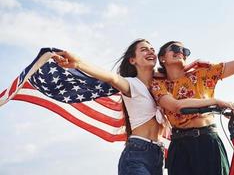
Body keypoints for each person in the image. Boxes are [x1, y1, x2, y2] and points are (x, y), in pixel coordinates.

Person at [150, 5, 234, 175]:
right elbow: (176, 106)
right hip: (180, 145)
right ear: (162, 58)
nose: (181, 52)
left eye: (184, 50)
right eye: (175, 48)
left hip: (208, 139)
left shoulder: (203, 74)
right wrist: (216, 101)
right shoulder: (159, 84)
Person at [53, 39, 164, 175]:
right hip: (137, 154)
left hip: (157, 155)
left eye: (152, 49)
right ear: (132, 60)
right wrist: (78, 63)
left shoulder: (161, 88)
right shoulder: (131, 84)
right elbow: (112, 78)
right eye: (144, 49)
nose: (151, 51)